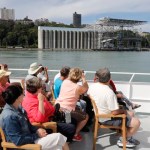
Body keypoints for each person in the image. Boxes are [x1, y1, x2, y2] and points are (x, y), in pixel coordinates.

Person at [0, 84, 69, 150]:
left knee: (58, 147)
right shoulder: (9, 117)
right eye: (22, 94)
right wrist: (37, 135)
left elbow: (29, 125)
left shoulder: (18, 108)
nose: (24, 95)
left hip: (29, 140)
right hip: (24, 146)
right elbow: (17, 140)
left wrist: (37, 130)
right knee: (59, 137)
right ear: (17, 98)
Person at [88, 68, 140, 148]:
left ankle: (125, 135)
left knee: (131, 113)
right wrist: (123, 110)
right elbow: (115, 112)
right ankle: (123, 140)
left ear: (98, 77)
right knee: (136, 122)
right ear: (109, 79)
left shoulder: (92, 87)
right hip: (106, 119)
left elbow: (89, 95)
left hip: (98, 115)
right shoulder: (109, 92)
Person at [22, 76, 76, 142]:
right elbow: (40, 119)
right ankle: (65, 142)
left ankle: (67, 137)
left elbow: (49, 108)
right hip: (46, 124)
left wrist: (55, 109)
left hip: (53, 115)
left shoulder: (38, 95)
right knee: (71, 127)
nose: (42, 88)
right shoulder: (30, 101)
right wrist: (41, 101)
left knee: (71, 119)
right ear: (37, 89)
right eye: (41, 87)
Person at [56, 67, 89, 141]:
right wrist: (83, 78)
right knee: (86, 116)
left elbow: (70, 77)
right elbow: (86, 88)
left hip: (58, 107)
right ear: (79, 78)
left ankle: (70, 128)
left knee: (77, 109)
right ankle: (75, 134)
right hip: (67, 111)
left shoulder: (65, 81)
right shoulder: (77, 87)